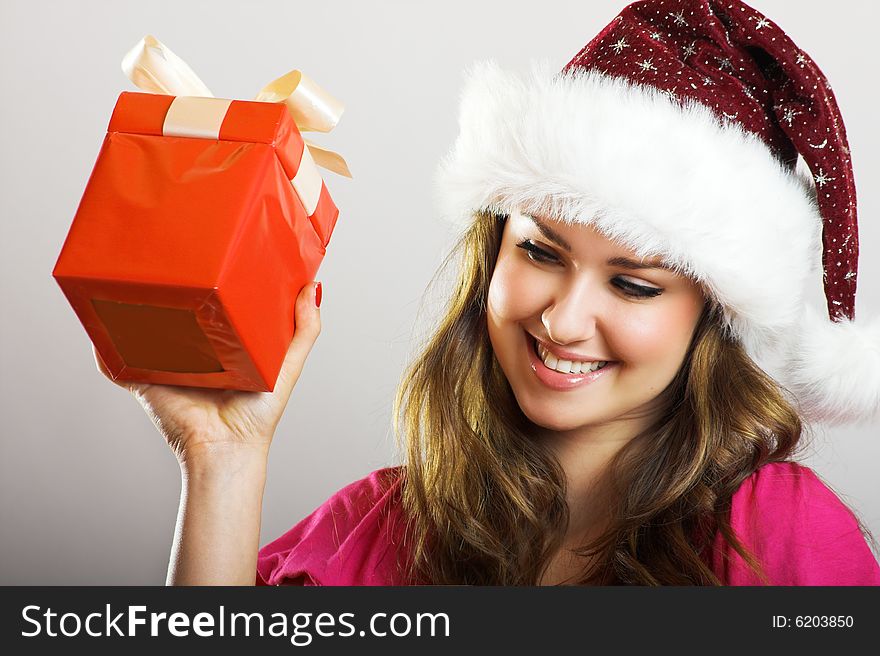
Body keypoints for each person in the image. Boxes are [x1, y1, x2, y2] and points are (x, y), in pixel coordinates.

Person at [98, 0, 880, 585]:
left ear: (713, 316)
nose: (565, 320)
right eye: (541, 251)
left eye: (635, 284)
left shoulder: (774, 531)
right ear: (491, 253)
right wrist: (223, 460)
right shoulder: (378, 523)